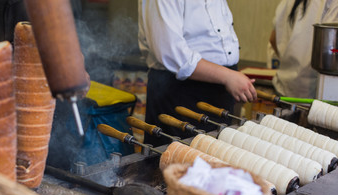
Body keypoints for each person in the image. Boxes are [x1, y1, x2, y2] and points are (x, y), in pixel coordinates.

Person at [138, 0, 257, 147]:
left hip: (216, 88)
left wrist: (231, 76)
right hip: (180, 91)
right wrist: (227, 76)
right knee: (176, 164)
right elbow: (171, 52)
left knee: (214, 160)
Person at [269, 0, 338, 99]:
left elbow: (272, 39)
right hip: (310, 96)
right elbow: (331, 51)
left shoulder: (287, 2)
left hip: (283, 89)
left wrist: (291, 64)